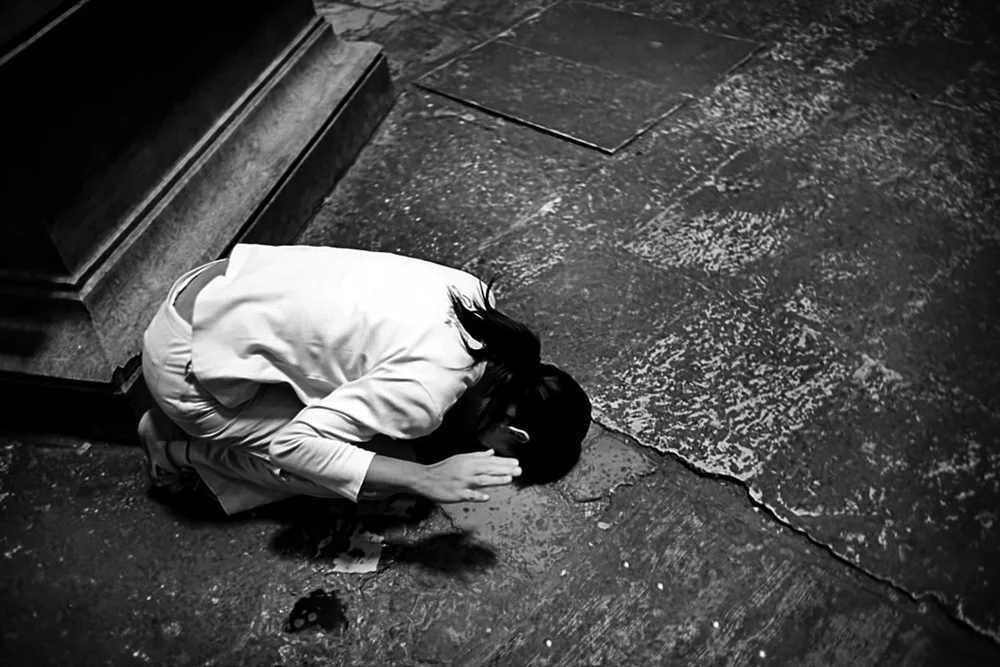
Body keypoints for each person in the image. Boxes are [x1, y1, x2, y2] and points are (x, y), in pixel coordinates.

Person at [138, 243, 591, 515]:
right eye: (501, 453)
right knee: (375, 466)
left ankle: (187, 432)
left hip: (208, 288)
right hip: (184, 365)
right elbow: (293, 446)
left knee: (372, 442)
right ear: (516, 432)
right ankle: (176, 453)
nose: (485, 452)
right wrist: (423, 477)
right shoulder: (427, 395)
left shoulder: (479, 299)